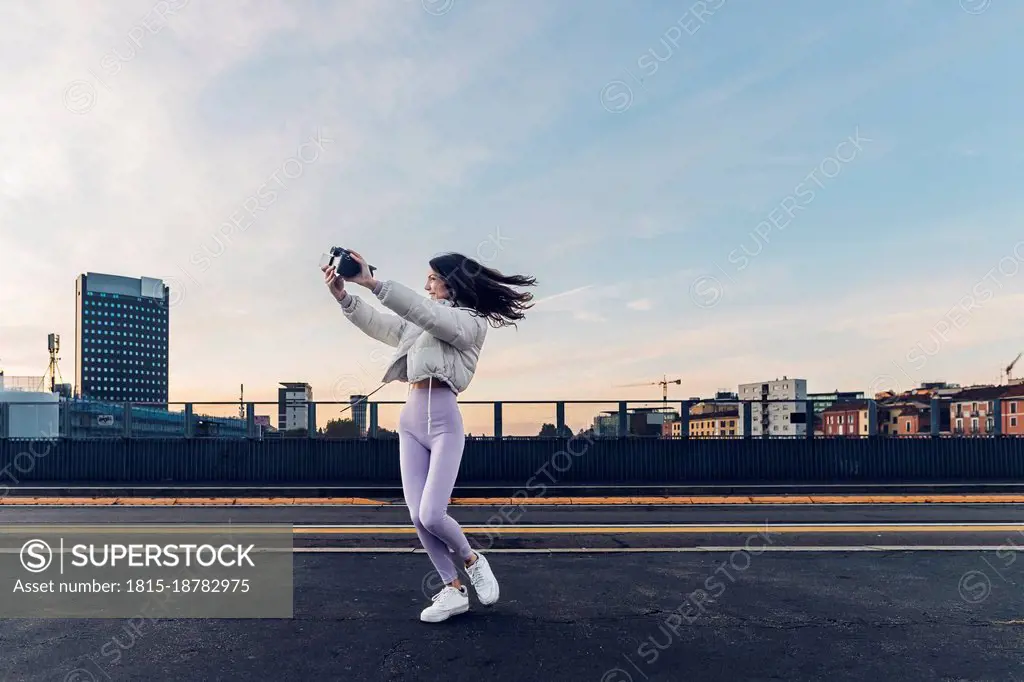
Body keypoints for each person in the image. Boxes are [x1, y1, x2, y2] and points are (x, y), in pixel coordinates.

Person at [322, 250, 537, 623]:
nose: (426, 285)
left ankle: (472, 559)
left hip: (443, 420)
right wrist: (345, 296)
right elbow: (381, 324)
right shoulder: (419, 324)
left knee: (432, 513)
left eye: (432, 279)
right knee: (417, 517)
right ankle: (452, 589)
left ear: (451, 282)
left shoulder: (469, 323)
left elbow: (428, 314)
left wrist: (375, 282)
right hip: (410, 420)